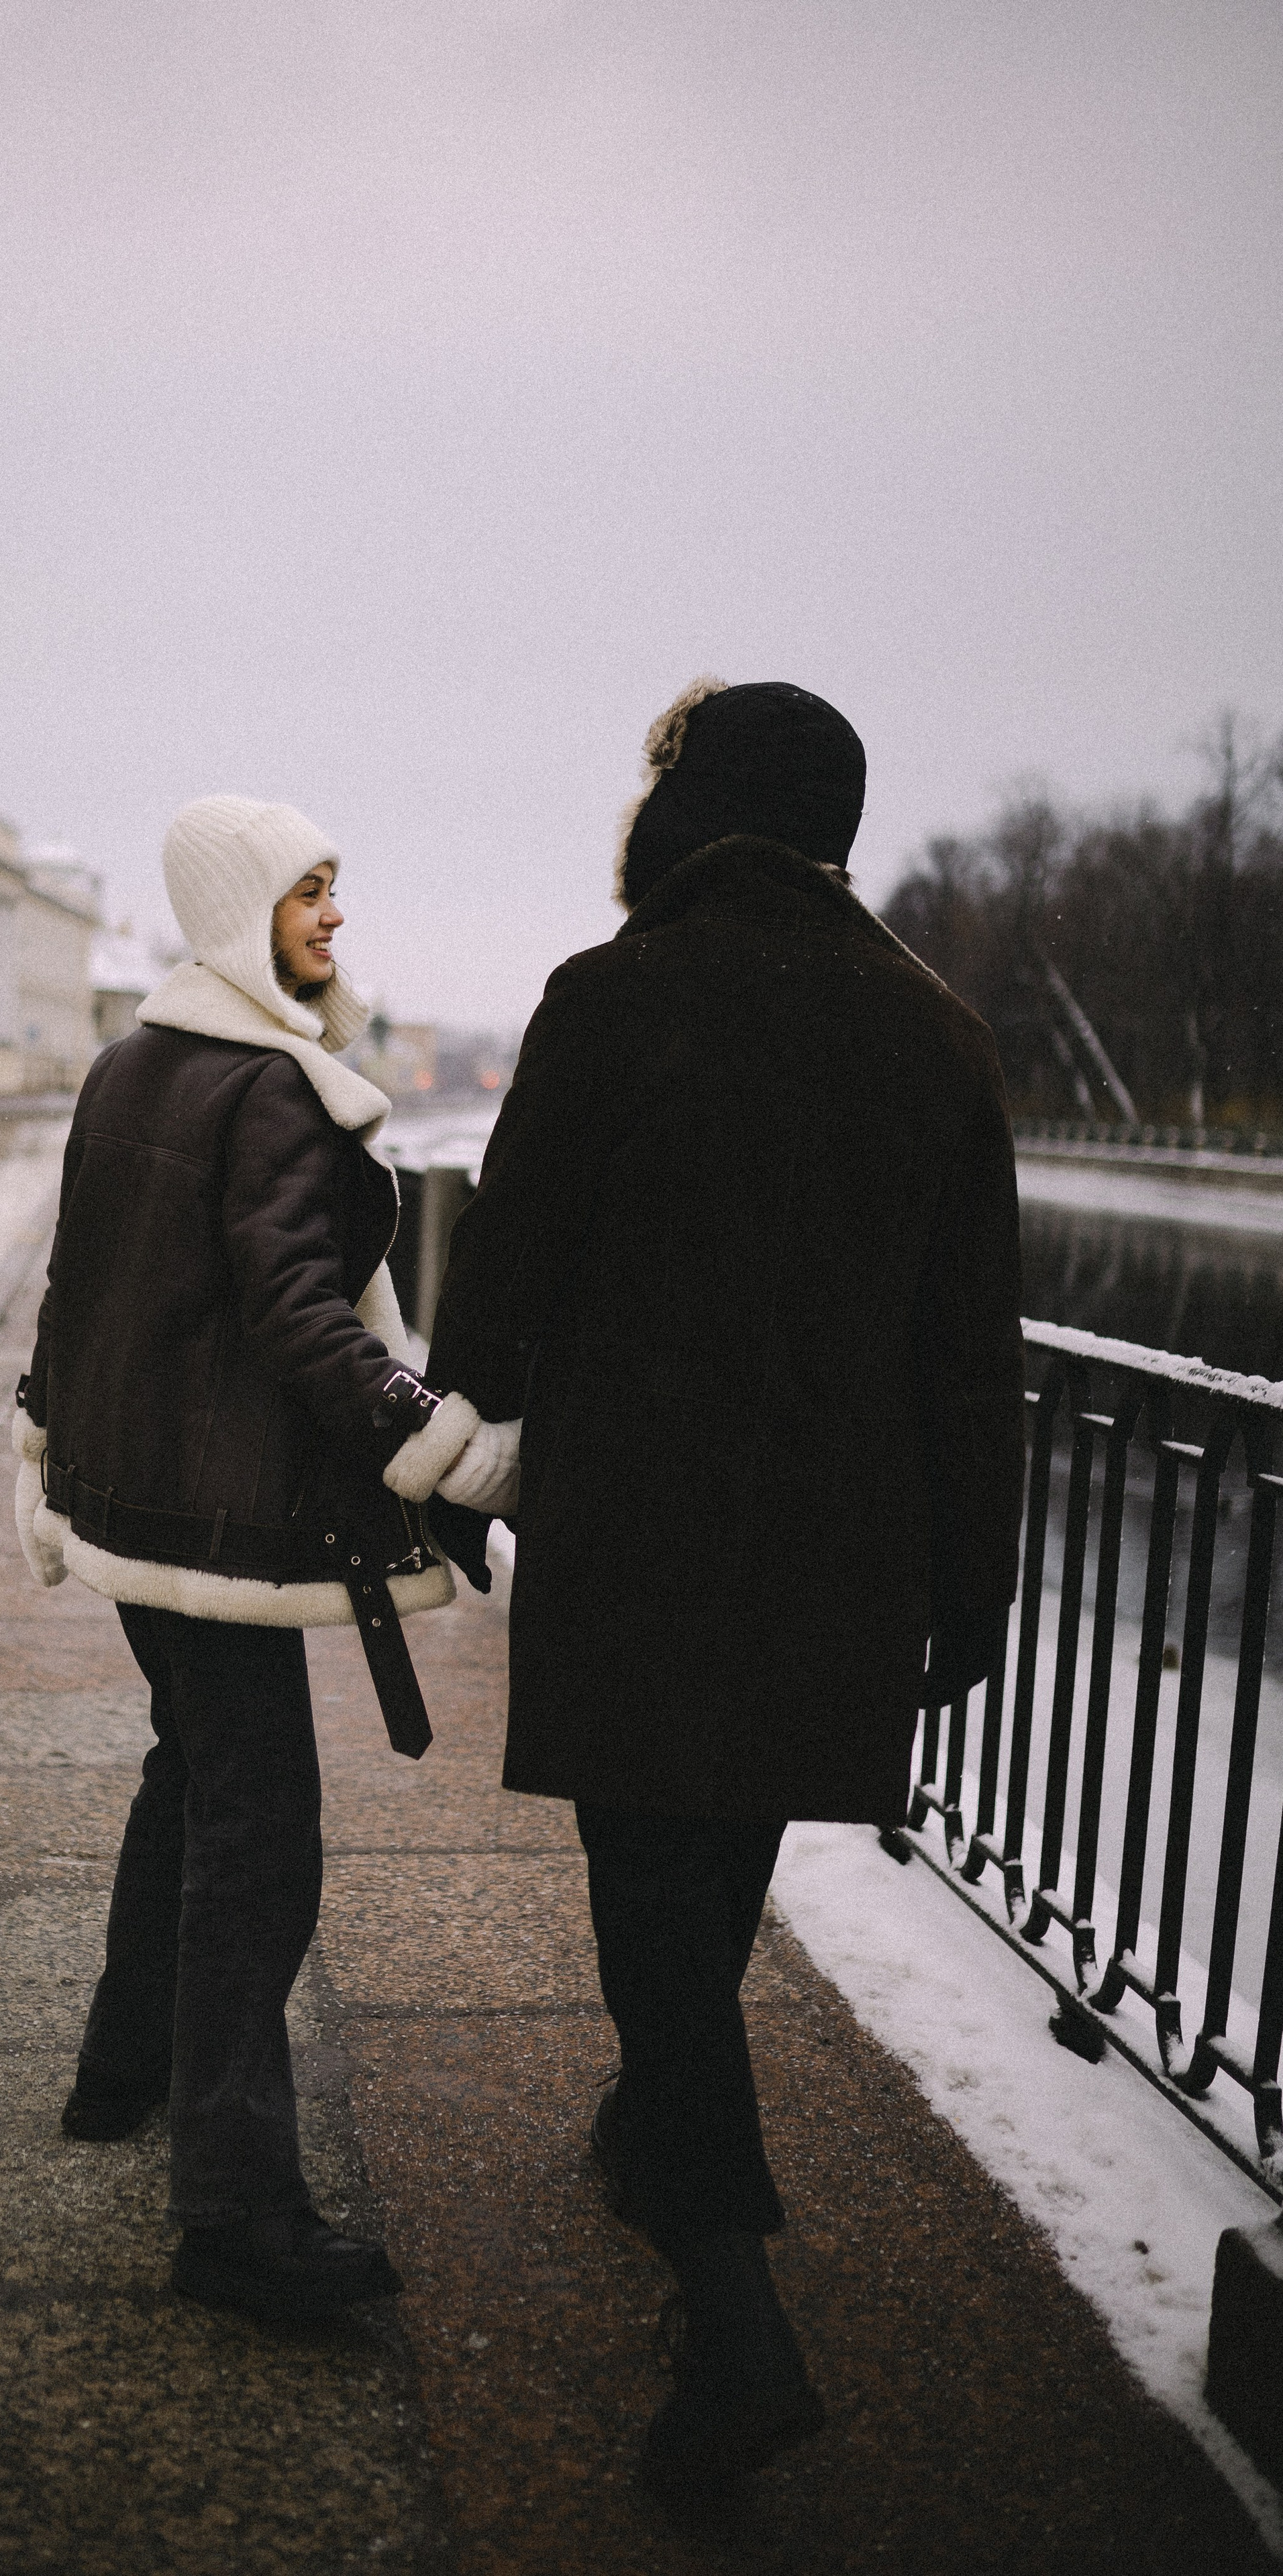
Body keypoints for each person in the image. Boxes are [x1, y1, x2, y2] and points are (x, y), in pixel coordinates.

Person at [423, 679, 1026, 2500]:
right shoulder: (938, 1032)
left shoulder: (616, 997)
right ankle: (650, 2134)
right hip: (844, 1553)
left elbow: (503, 1270)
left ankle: (736, 2304)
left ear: (697, 808)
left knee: (650, 1899)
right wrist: (972, 1596)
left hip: (648, 1538)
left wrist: (461, 1473)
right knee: (720, 1865)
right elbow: (969, 1353)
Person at [11, 794, 514, 2328]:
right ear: (241, 916)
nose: (332, 918)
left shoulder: (133, 1063)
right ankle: (235, 2216)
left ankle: (120, 2071)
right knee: (262, 1836)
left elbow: (76, 1278)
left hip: (133, 1497)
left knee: (193, 1775)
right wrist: (435, 1439)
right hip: (218, 1514)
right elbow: (304, 1316)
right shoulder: (273, 1091)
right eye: (307, 894)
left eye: (333, 890)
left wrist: (50, 1439)